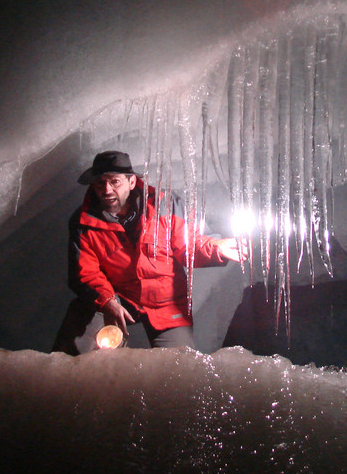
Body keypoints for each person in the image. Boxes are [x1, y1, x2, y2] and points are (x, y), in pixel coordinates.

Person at [52, 150, 245, 353]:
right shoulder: (84, 222)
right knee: (76, 340)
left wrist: (218, 249)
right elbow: (85, 273)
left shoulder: (166, 205)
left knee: (179, 367)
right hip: (118, 298)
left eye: (114, 182)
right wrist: (107, 301)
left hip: (166, 303)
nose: (107, 190)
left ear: (132, 182)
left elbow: (189, 245)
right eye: (100, 183)